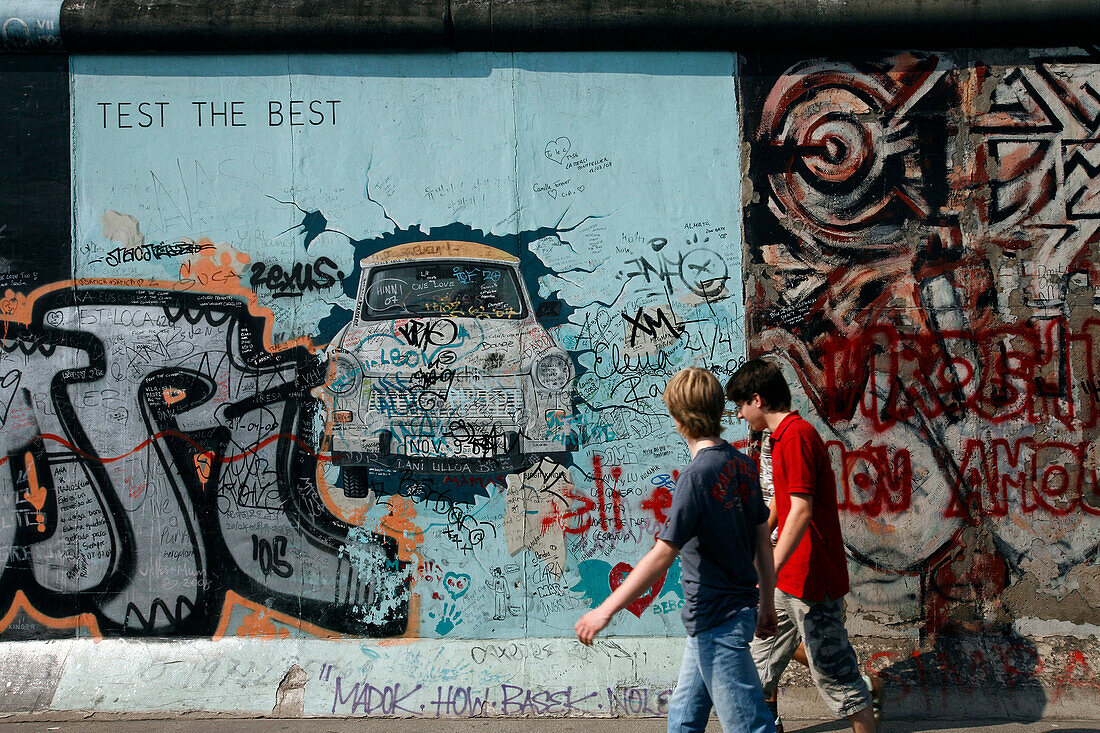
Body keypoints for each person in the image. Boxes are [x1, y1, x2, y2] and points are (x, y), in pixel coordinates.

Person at [575, 367, 778, 733]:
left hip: (718, 619)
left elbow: (662, 554)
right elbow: (763, 537)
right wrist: (766, 603)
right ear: (719, 410)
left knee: (750, 727)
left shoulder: (696, 476)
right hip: (723, 616)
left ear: (677, 418)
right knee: (683, 720)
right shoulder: (742, 464)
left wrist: (605, 609)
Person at [725, 358, 878, 733]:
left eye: (741, 406)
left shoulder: (796, 436)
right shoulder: (778, 439)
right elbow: (782, 501)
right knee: (756, 668)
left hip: (812, 579)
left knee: (839, 681)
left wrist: (769, 567)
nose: (741, 416)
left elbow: (803, 510)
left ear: (757, 400)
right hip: (786, 580)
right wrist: (760, 539)